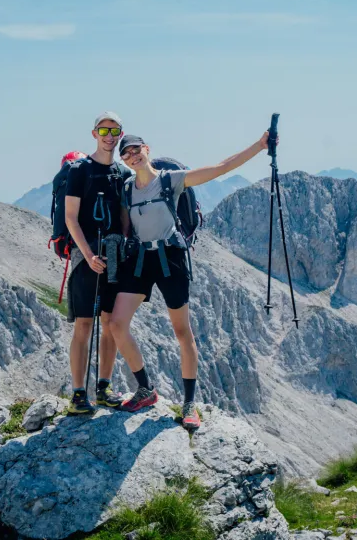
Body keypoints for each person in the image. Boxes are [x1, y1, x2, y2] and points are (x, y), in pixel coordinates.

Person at [108, 129, 277, 430]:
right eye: (126, 153)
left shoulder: (170, 179)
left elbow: (220, 168)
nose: (132, 155)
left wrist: (259, 146)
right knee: (116, 325)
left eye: (135, 149)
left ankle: (189, 404)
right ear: (123, 159)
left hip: (170, 258)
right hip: (140, 261)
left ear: (146, 149)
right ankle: (146, 390)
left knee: (182, 331)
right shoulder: (127, 188)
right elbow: (124, 228)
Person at [62, 111, 132, 414]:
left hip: (115, 253)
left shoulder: (122, 173)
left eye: (114, 131)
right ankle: (79, 393)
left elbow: (125, 216)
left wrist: (124, 244)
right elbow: (70, 217)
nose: (109, 136)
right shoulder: (79, 171)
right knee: (84, 323)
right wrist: (88, 256)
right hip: (85, 257)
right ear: (94, 134)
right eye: (104, 130)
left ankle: (104, 387)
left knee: (111, 324)